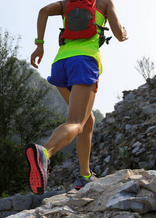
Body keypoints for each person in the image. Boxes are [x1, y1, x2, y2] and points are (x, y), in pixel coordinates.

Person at [25, 0, 128, 195]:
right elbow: (118, 34)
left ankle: (85, 175)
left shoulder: (66, 2)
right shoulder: (105, 2)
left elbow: (43, 11)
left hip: (60, 64)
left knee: (88, 121)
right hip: (84, 61)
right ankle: (44, 153)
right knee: (76, 122)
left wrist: (39, 45)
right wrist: (123, 32)